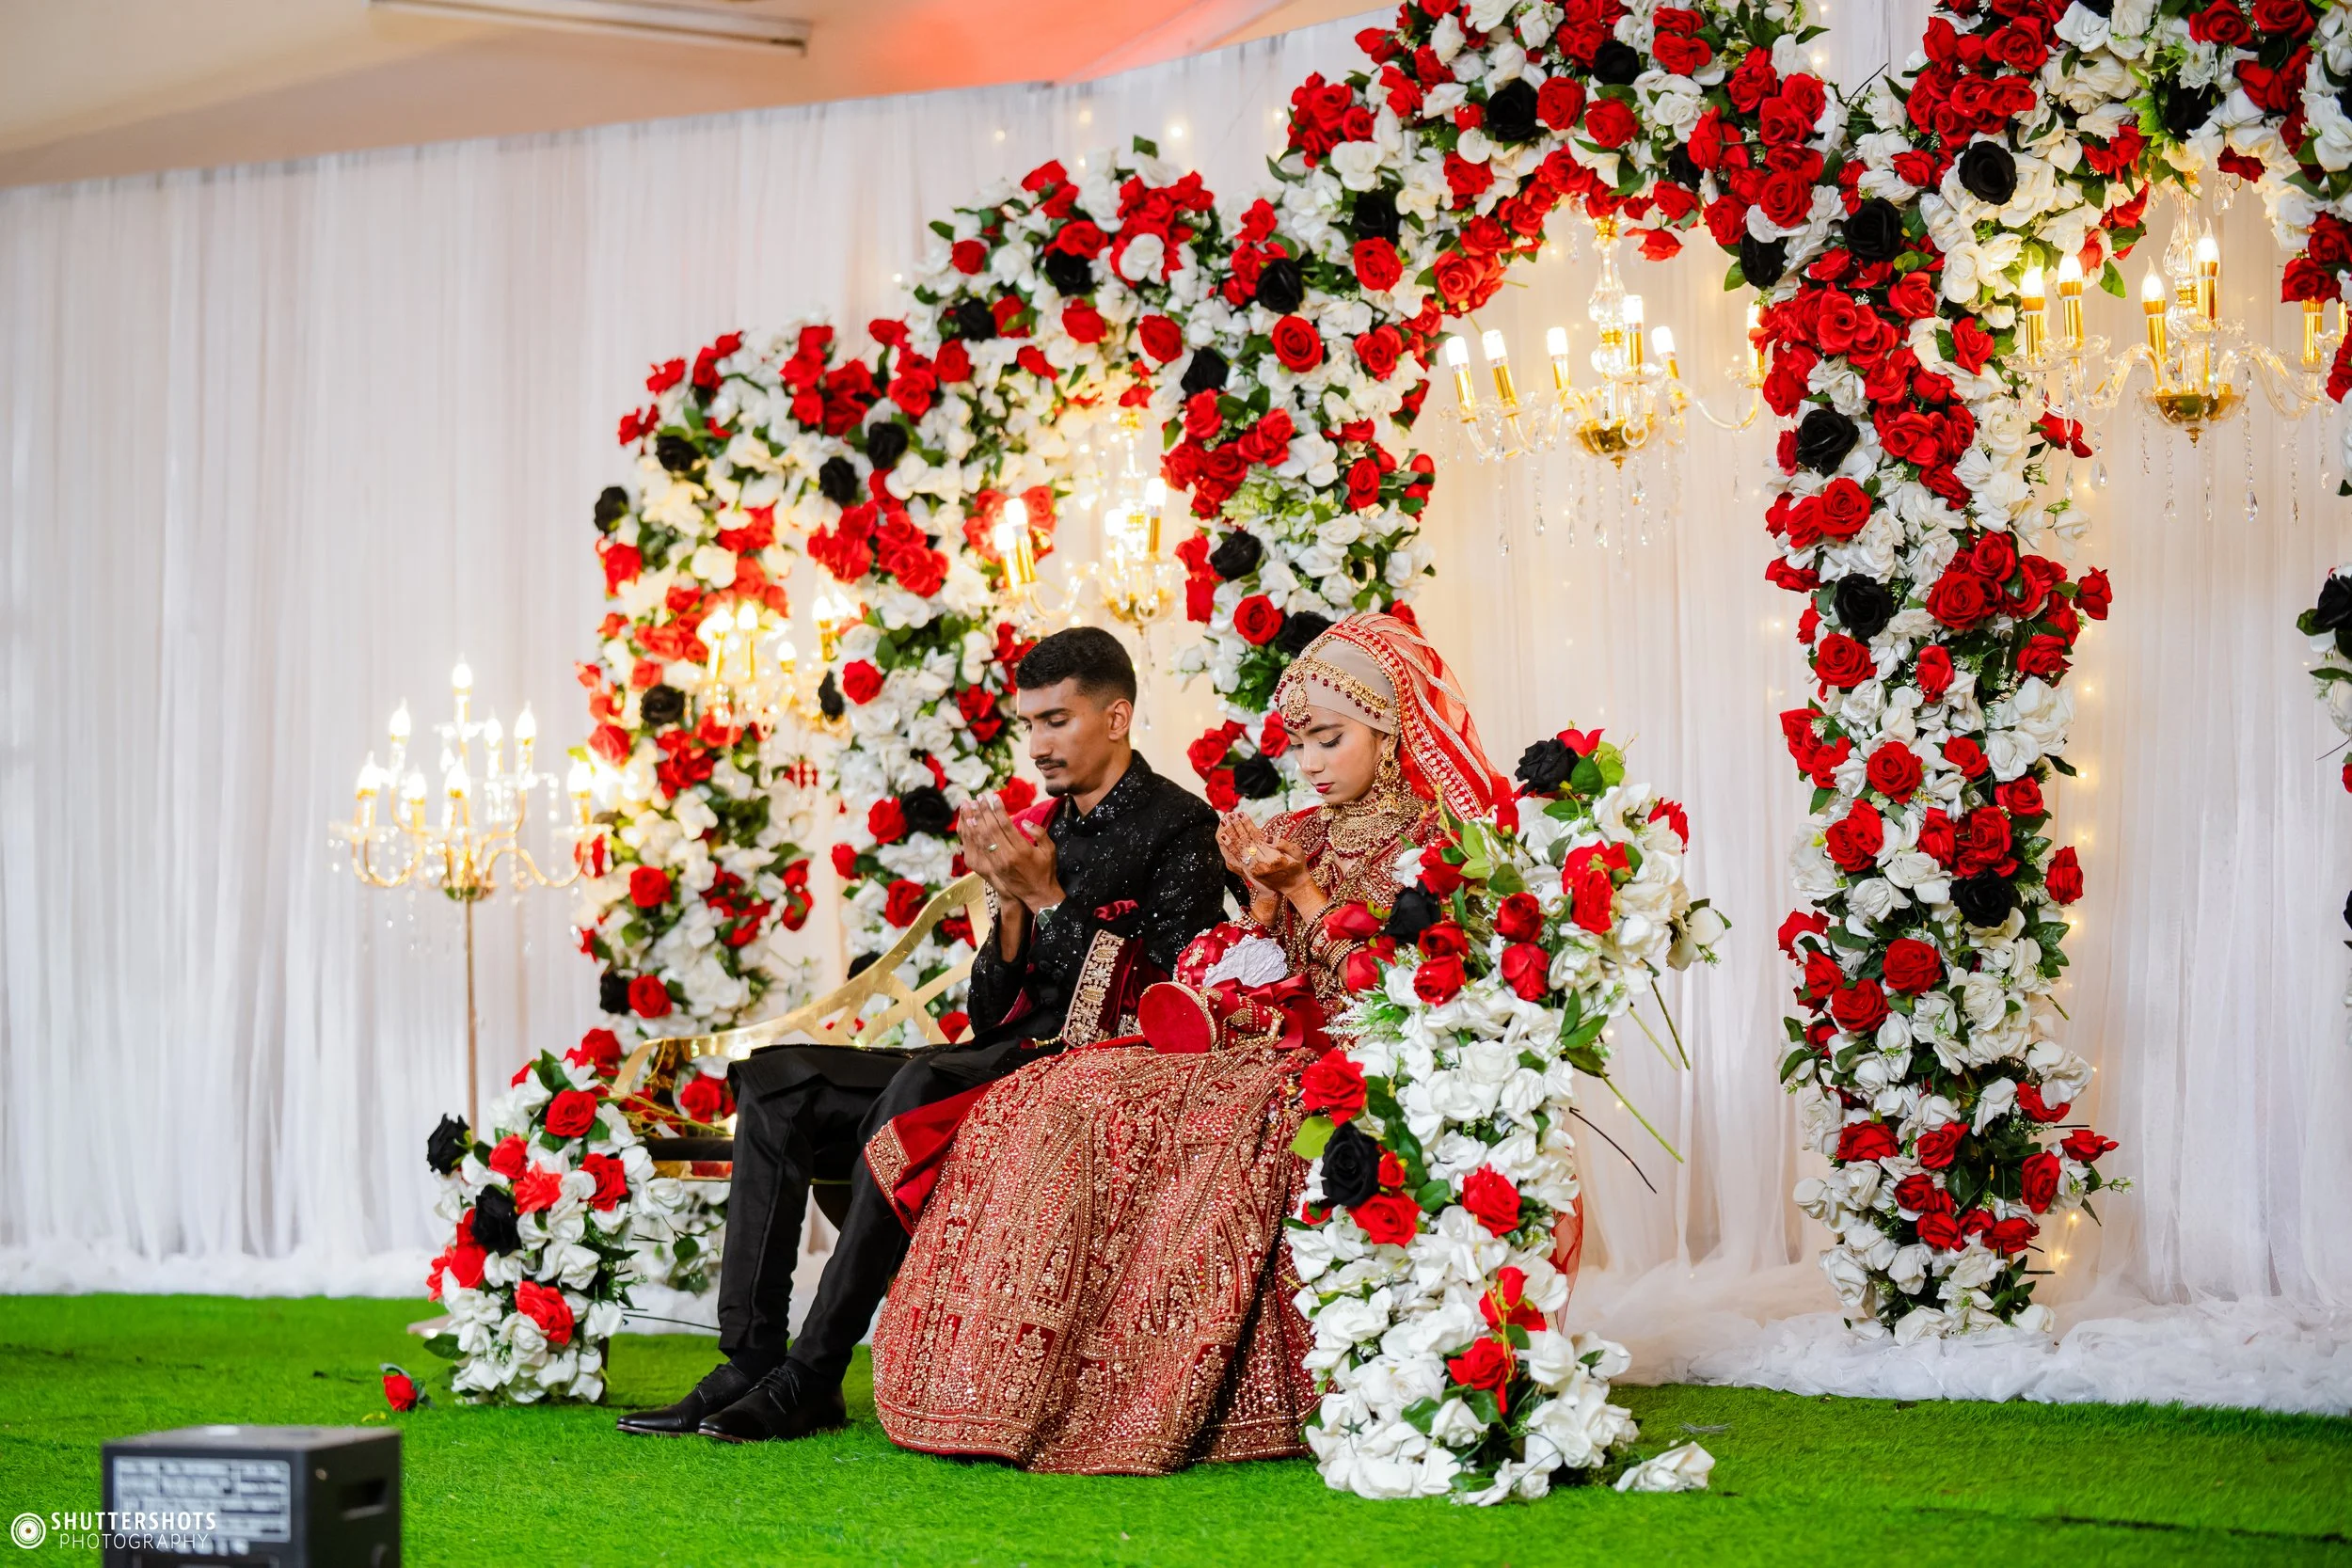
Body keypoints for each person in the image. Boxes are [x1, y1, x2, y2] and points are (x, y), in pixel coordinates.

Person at [866, 610, 1506, 1474]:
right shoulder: (1305, 829)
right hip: (1264, 1039)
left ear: (1391, 732)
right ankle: (1024, 1378)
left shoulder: (1434, 845)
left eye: (1329, 740)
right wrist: (1266, 906)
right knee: (1070, 1089)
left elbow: (1393, 999)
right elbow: (1264, 965)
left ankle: (1137, 1390)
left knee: (1165, 1109)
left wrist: (1303, 893)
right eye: (1300, 743)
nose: (1310, 763)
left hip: (1363, 1059)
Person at [615, 626, 1226, 1442]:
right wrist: (1006, 899)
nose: (1039, 744)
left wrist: (1045, 899)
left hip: (1084, 1072)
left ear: (1116, 718)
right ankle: (750, 1357)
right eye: (1030, 724)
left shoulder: (1181, 826)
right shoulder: (1044, 828)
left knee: (915, 1087)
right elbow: (985, 1008)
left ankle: (814, 1371)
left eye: (1056, 720)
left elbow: (1170, 995)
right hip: (994, 1054)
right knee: (776, 1081)